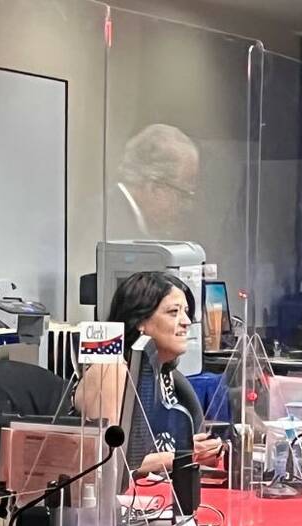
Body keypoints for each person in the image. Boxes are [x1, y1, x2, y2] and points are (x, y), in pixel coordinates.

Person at [75, 271, 221, 475]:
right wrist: (182, 456)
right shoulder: (110, 370)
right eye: (173, 312)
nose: (186, 321)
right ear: (140, 321)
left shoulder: (165, 374)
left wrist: (204, 451)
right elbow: (108, 462)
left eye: (186, 311)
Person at [110, 124, 199, 240]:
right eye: (183, 195)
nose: (187, 207)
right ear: (155, 188)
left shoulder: (115, 214)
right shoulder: (108, 225)